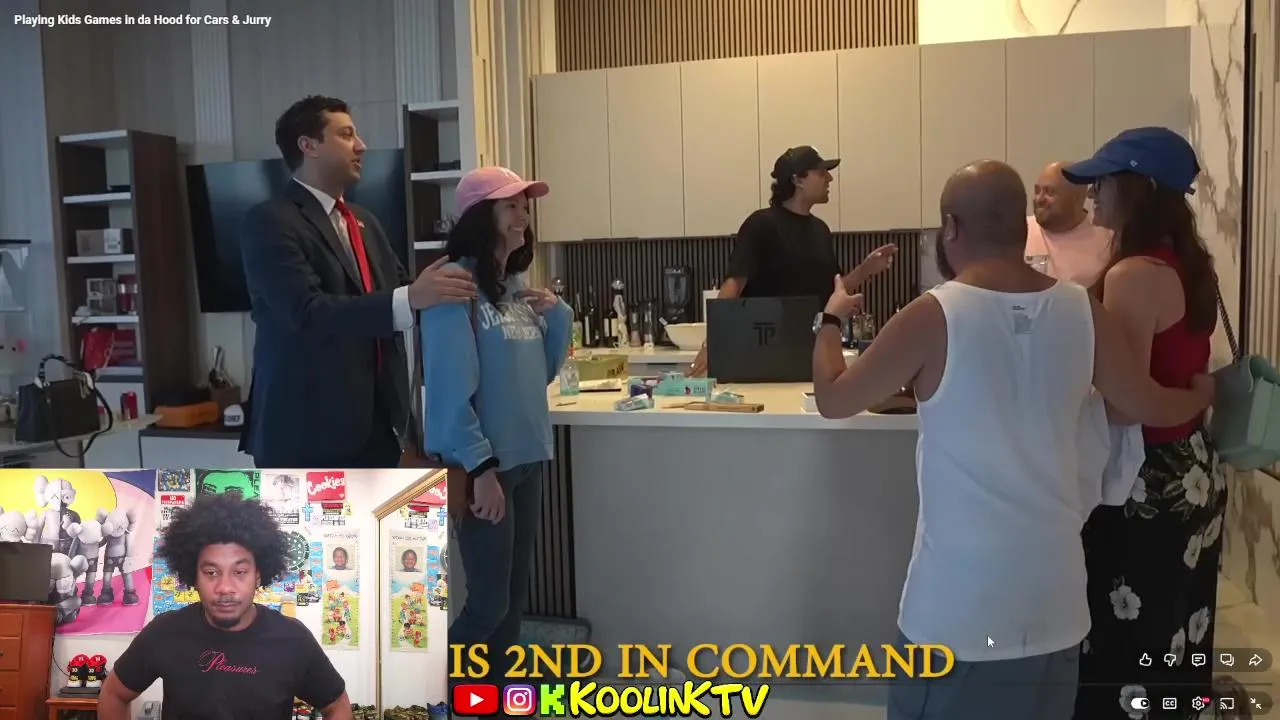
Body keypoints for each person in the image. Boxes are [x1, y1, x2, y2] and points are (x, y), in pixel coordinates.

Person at [810, 160, 1215, 719]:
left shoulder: (933, 315)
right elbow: (1143, 405)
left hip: (959, 618)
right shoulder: (1083, 309)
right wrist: (1199, 396)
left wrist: (829, 321)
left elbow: (833, 399)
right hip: (1057, 610)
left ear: (951, 228)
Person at [1062, 127, 1227, 717]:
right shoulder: (1190, 264)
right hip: (1192, 469)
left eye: (1103, 182)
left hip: (1144, 482)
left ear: (1140, 188)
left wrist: (1195, 398)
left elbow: (1125, 402)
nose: (1092, 194)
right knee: (1181, 628)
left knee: (1128, 637)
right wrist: (1196, 400)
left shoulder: (1133, 274)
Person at [240, 95, 478, 468]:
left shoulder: (364, 221)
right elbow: (307, 311)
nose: (362, 145)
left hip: (379, 428)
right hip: (305, 437)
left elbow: (402, 292)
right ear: (308, 145)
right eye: (347, 134)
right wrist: (411, 297)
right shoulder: (271, 220)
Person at [420, 166, 572, 689]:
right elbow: (448, 392)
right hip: (487, 465)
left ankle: (494, 698)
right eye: (511, 205)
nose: (523, 214)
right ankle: (418, 693)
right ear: (480, 217)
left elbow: (540, 373)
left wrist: (558, 315)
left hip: (527, 457)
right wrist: (481, 467)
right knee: (487, 605)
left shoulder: (512, 288)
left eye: (524, 205)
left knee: (511, 602)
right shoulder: (454, 287)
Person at [97, 494, 351, 720]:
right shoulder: (165, 632)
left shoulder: (293, 639)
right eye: (211, 572)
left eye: (239, 572)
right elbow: (113, 694)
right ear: (194, 576)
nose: (225, 587)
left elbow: (337, 706)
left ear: (258, 575)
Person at [689, 145, 897, 375]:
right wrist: (711, 346)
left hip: (808, 352)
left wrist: (866, 269)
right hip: (761, 354)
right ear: (798, 180)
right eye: (821, 172)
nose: (829, 178)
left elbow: (834, 292)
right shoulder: (761, 225)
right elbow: (732, 287)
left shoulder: (820, 230)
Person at [1024, 160, 1114, 286]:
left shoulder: (1108, 238)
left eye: (1049, 192)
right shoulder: (1019, 230)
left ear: (1076, 198)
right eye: (1037, 191)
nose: (1039, 199)